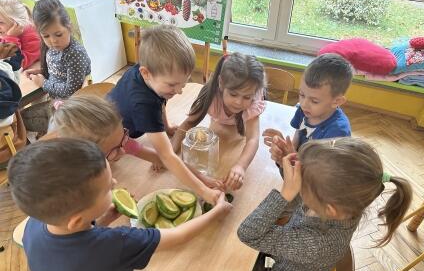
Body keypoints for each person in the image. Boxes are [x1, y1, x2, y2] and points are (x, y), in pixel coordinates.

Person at [8, 138, 233, 271]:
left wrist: (102, 220)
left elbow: (73, 250)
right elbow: (177, 236)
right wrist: (215, 213)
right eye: (107, 188)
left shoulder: (34, 225)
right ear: (76, 219)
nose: (115, 182)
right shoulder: (113, 244)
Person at [237, 138, 412, 271]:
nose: (298, 184)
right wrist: (296, 167)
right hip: (285, 262)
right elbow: (307, 195)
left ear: (329, 209)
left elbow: (247, 234)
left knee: (225, 269)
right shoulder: (346, 206)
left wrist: (285, 194)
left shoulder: (316, 243)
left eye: (302, 182)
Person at [108, 24, 220, 204]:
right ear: (146, 73)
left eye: (183, 83)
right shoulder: (143, 103)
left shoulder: (147, 72)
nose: (179, 91)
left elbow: (158, 101)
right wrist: (204, 189)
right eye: (172, 85)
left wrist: (166, 127)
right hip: (110, 142)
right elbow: (166, 157)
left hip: (121, 135)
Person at [171, 52, 266, 191]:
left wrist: (240, 166)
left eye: (246, 97)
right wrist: (171, 152)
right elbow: (187, 124)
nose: (239, 102)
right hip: (219, 126)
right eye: (233, 94)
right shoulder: (210, 97)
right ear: (221, 83)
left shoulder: (253, 102)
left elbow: (252, 139)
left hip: (236, 135)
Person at [263, 53, 352, 166]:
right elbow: (299, 131)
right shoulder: (304, 109)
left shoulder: (338, 132)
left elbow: (322, 170)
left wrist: (292, 155)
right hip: (298, 164)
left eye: (314, 101)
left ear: (336, 101)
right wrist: (289, 148)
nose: (304, 104)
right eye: (302, 94)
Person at [22, 0, 91, 135]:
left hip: (69, 107)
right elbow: (59, 71)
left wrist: (43, 82)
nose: (53, 41)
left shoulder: (75, 53)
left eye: (58, 34)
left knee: (19, 122)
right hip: (55, 98)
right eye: (46, 36)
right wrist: (41, 71)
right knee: (21, 117)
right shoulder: (53, 47)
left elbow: (71, 90)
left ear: (69, 26)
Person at [49, 95, 163, 168]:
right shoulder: (73, 173)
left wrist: (163, 159)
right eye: (114, 151)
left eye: (124, 137)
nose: (123, 152)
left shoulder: (115, 140)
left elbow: (159, 158)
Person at [0, 0, 40, 69]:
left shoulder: (32, 37)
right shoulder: (3, 31)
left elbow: (16, 65)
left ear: (16, 22)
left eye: (0, 22)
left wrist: (11, 39)